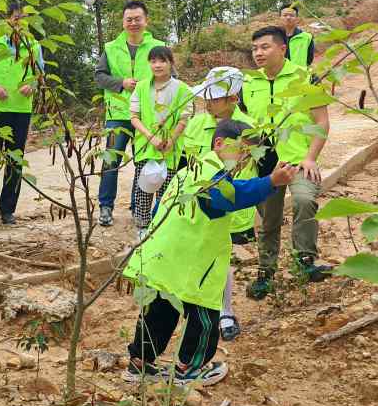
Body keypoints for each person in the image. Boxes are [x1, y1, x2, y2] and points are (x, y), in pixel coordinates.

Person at [122, 119, 298, 386]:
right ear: (219, 143)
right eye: (241, 150)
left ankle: (139, 364)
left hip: (164, 257)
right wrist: (270, 182)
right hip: (193, 263)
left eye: (248, 154)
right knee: (203, 316)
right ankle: (189, 369)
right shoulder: (210, 172)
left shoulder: (187, 171)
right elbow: (226, 197)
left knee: (159, 309)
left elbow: (162, 209)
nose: (243, 158)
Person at [242, 26, 332, 300]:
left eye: (265, 47)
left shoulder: (306, 78)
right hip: (265, 165)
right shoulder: (248, 83)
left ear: (283, 48)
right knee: (269, 219)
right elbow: (243, 124)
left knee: (305, 200)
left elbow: (322, 122)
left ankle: (305, 261)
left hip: (297, 160)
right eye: (255, 48)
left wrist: (310, 157)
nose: (258, 53)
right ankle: (266, 272)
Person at [181, 67, 255, 341]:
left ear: (233, 98)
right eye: (207, 98)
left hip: (228, 207)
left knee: (222, 260)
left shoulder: (248, 128)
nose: (207, 103)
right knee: (197, 256)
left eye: (214, 98)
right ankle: (197, 307)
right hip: (194, 205)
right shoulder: (197, 124)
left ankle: (225, 312)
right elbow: (184, 164)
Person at [0, 3, 44, 226]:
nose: (18, 22)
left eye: (22, 18)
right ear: (6, 20)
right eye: (15, 18)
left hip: (20, 110)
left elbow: (40, 73)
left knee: (15, 160)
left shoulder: (32, 44)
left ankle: (7, 210)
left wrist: (31, 84)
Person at [95, 1, 165, 228]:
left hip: (147, 115)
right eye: (129, 19)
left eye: (137, 19)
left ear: (146, 20)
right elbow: (99, 76)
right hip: (118, 113)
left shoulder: (158, 46)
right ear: (123, 22)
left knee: (142, 162)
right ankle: (106, 206)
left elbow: (169, 76)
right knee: (111, 161)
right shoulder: (111, 47)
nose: (133, 23)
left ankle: (138, 207)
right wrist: (120, 83)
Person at [128, 46, 193, 240]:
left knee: (166, 192)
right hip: (146, 147)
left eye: (162, 60)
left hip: (170, 150)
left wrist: (172, 139)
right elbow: (134, 117)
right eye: (153, 61)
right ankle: (142, 229)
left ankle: (162, 230)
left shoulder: (182, 88)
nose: (157, 65)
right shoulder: (141, 87)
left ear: (171, 63)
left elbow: (184, 118)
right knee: (143, 190)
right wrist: (151, 137)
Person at [279, 4, 315, 68]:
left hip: (299, 76)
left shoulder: (307, 37)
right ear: (280, 18)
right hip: (280, 76)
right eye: (285, 15)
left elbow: (309, 60)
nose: (288, 17)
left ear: (297, 18)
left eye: (291, 15)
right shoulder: (274, 37)